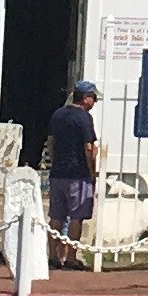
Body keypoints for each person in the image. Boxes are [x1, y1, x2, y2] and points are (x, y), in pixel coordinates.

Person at [43, 81, 103, 265]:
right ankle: (70, 257)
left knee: (56, 216)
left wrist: (54, 162)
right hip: (77, 174)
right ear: (85, 98)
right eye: (93, 98)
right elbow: (88, 147)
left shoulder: (58, 114)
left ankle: (53, 256)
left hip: (58, 173)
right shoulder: (84, 118)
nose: (94, 102)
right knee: (76, 217)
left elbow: (51, 142)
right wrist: (92, 171)